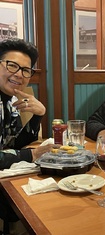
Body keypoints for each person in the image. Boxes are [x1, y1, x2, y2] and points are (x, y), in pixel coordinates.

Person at [0, 38, 57, 234]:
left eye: (25, 70)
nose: (19, 74)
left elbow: (13, 143)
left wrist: (38, 115)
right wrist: (31, 155)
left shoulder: (9, 101)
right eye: (12, 66)